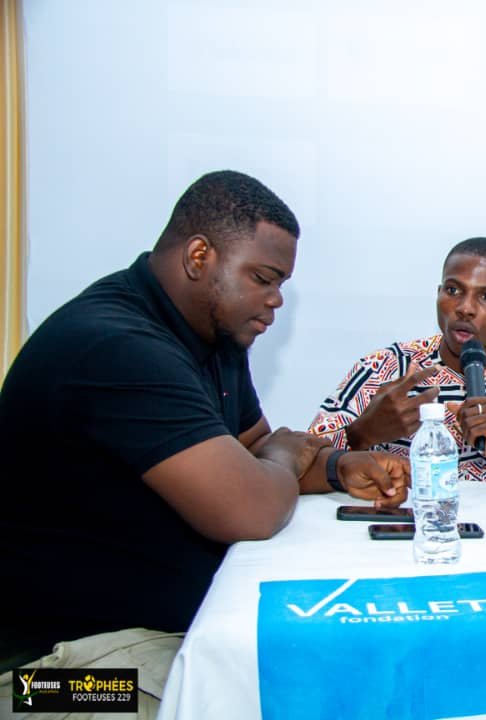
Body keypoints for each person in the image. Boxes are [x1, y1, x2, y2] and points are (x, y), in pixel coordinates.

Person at [0, 171, 409, 714]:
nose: (276, 300)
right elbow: (252, 506)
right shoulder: (114, 345)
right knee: (251, 697)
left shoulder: (212, 336)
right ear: (199, 256)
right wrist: (282, 457)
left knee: (330, 678)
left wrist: (337, 466)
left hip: (155, 634)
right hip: (54, 675)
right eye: (263, 278)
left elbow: (253, 450)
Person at [309, 237, 486, 488]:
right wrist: (362, 433)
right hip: (413, 523)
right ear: (438, 293)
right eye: (453, 291)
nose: (465, 308)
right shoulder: (386, 366)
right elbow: (306, 457)